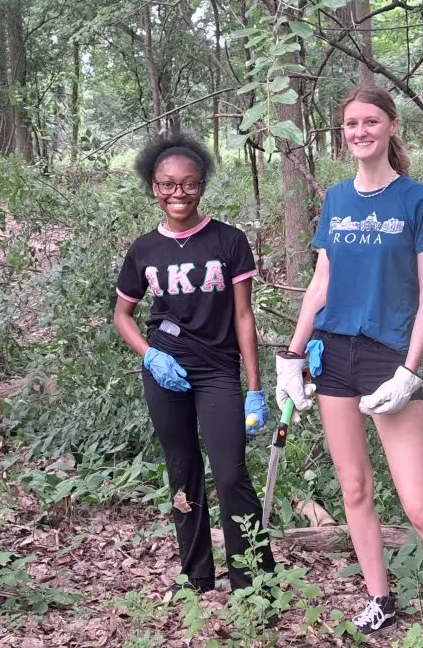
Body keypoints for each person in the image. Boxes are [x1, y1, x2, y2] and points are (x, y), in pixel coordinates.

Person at [274, 86, 423, 646]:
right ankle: (379, 599)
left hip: (386, 358)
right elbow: (320, 283)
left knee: (418, 504)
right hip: (334, 352)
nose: (360, 131)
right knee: (353, 488)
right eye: (350, 124)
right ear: (342, 132)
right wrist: (292, 358)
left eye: (371, 121)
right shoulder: (336, 199)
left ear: (392, 127)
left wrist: (410, 369)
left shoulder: (420, 201)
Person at [113, 133, 275, 598]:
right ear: (153, 188)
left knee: (229, 474)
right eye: (167, 185)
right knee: (182, 470)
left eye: (188, 184)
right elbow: (122, 315)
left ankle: (255, 581)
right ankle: (197, 577)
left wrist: (254, 386)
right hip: (165, 369)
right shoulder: (144, 250)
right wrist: (150, 354)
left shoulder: (228, 241)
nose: (177, 194)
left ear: (202, 186)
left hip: (217, 371)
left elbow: (244, 316)